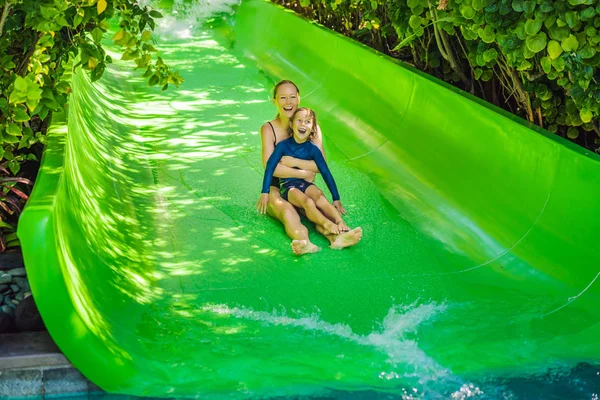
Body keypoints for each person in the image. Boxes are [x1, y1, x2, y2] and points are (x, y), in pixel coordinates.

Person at [256, 80, 362, 255]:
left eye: (292, 97)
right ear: (274, 100)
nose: (288, 102)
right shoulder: (269, 129)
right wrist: (304, 172)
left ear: (299, 98)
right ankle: (304, 243)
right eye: (282, 97)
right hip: (278, 186)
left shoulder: (311, 127)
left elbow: (320, 166)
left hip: (303, 185)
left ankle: (337, 237)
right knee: (288, 211)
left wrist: (293, 164)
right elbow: (272, 168)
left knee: (318, 203)